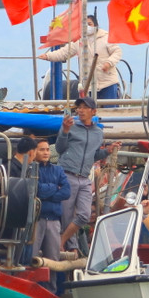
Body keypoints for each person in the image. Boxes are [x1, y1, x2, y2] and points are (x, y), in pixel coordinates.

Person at [57, 96, 105, 252]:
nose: (80, 110)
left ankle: (62, 241)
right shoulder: (70, 126)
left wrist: (108, 152)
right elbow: (59, 148)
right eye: (79, 107)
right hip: (67, 173)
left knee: (84, 214)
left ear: (93, 111)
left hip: (84, 177)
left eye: (85, 107)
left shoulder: (98, 132)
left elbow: (95, 154)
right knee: (67, 215)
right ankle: (71, 247)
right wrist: (64, 131)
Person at [38, 15, 123, 100]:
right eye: (84, 24)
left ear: (96, 25)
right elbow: (64, 52)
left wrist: (109, 63)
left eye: (90, 24)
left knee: (110, 108)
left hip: (108, 82)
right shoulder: (78, 40)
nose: (87, 27)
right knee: (90, 110)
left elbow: (117, 52)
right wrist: (48, 56)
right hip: (88, 84)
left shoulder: (106, 37)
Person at [26, 139, 71, 276]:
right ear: (34, 152)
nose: (46, 152)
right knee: (31, 259)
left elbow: (66, 192)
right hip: (36, 221)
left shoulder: (58, 169)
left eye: (47, 149)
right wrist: (54, 187)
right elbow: (35, 190)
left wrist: (45, 193)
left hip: (53, 220)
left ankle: (50, 291)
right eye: (42, 149)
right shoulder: (30, 169)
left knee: (53, 261)